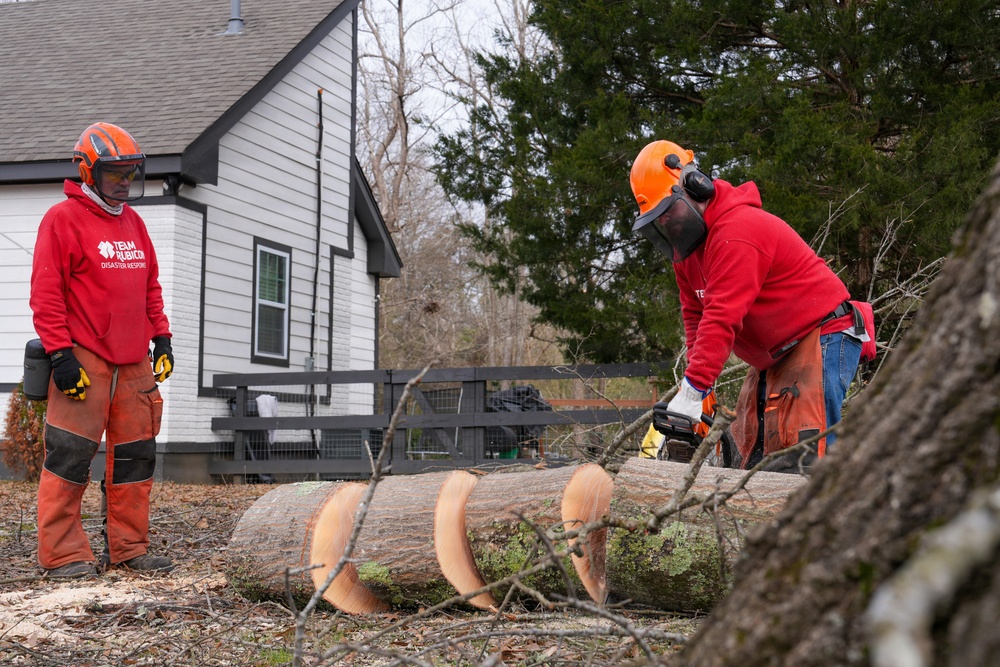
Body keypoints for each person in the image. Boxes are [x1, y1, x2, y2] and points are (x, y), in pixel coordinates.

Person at [630, 139, 875, 471]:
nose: (669, 223)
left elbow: (721, 316)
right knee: (752, 448)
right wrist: (698, 385)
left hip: (823, 331)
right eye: (660, 218)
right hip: (775, 351)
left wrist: (692, 390)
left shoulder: (738, 231)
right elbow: (695, 315)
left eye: (670, 211)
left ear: (694, 186)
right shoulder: (687, 253)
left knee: (803, 452)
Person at [29, 122, 175, 578]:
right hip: (84, 357)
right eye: (115, 171)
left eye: (130, 171)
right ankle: (64, 554)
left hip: (133, 362)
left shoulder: (134, 222)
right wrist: (60, 355)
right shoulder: (62, 219)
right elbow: (46, 295)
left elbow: (150, 286)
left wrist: (162, 336)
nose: (124, 179)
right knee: (70, 457)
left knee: (135, 459)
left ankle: (130, 548)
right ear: (88, 170)